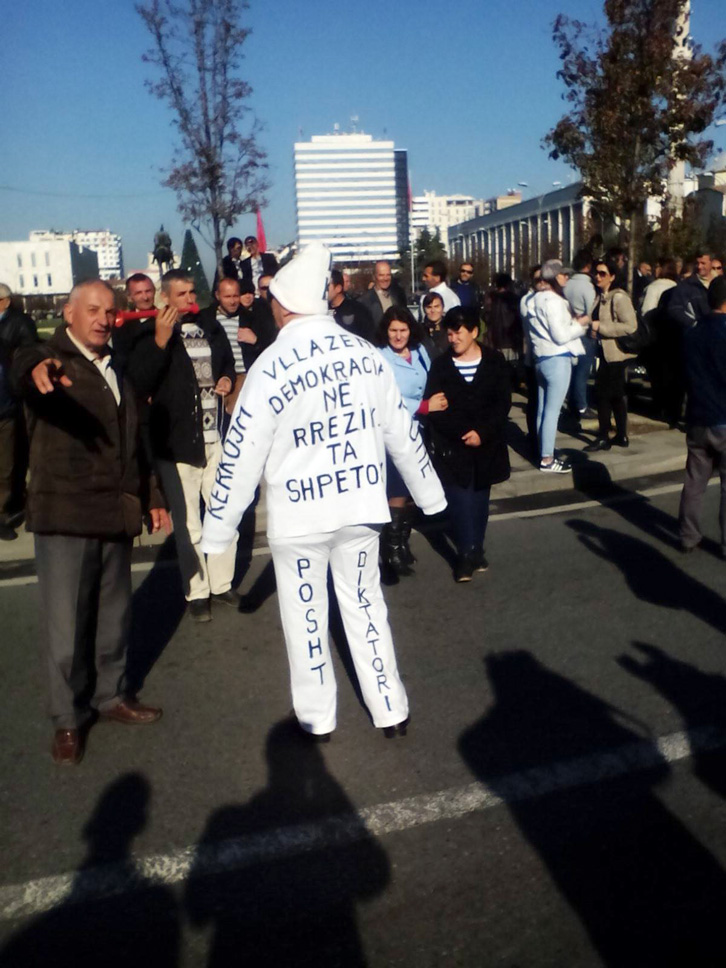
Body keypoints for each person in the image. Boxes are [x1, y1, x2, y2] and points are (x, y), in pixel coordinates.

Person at [200, 242, 446, 739]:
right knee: (366, 607)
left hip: (299, 518)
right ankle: (391, 708)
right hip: (358, 507)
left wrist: (217, 531)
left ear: (285, 302)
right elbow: (400, 429)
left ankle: (317, 719)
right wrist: (431, 494)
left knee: (306, 617)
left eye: (272, 297)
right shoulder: (365, 355)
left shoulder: (270, 367)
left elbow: (241, 454)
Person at [12, 280, 168, 765]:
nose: (103, 318)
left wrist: (151, 495)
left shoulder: (115, 365)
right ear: (70, 313)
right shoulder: (51, 358)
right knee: (65, 627)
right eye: (93, 310)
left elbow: (134, 438)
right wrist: (35, 366)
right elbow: (21, 362)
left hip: (113, 513)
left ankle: (110, 695)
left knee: (113, 618)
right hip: (66, 514)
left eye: (110, 311)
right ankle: (66, 719)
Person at [126, 269, 238, 623]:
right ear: (164, 298)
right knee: (191, 525)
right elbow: (138, 381)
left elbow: (226, 362)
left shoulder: (208, 324)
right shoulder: (148, 332)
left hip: (214, 437)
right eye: (182, 295)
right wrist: (160, 340)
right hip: (178, 444)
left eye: (192, 293)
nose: (190, 300)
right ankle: (198, 591)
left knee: (224, 515)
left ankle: (222, 583)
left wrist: (225, 378)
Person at [424, 306, 511, 582]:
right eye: (449, 333)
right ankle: (464, 555)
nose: (452, 339)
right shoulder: (440, 365)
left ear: (474, 331)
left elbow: (502, 404)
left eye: (458, 332)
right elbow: (436, 407)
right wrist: (463, 432)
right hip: (453, 445)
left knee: (480, 500)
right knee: (460, 499)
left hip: (487, 444)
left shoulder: (495, 361)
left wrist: (482, 433)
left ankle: (476, 548)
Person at [376, 305, 448, 575]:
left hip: (419, 431)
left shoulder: (419, 352)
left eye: (403, 330)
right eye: (393, 330)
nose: (398, 336)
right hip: (394, 432)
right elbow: (383, 399)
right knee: (397, 490)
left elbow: (433, 381)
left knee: (411, 490)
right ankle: (391, 549)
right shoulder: (380, 356)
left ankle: (402, 543)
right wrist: (424, 406)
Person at [678, 277, 726, 556]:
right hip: (723, 414)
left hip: (697, 415)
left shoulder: (692, 333)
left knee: (694, 481)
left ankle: (688, 536)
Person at [529, 260, 589, 472]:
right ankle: (547, 458)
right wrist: (579, 325)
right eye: (563, 275)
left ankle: (544, 450)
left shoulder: (532, 300)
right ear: (555, 278)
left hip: (541, 358)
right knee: (552, 412)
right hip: (557, 358)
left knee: (543, 410)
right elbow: (561, 335)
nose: (566, 278)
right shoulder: (553, 301)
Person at [585, 258, 638, 451]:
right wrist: (593, 330)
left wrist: (603, 328)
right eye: (596, 273)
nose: (597, 276)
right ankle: (621, 435)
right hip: (603, 353)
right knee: (615, 395)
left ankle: (603, 436)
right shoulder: (600, 296)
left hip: (616, 355)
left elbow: (631, 326)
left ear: (612, 277)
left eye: (603, 273)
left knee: (603, 394)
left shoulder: (619, 297)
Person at [0, 283, 37, 540]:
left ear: (4, 302)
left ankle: (3, 512)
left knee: (8, 463)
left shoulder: (19, 323)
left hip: (7, 401)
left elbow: (30, 353)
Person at [564, 250, 598, 421]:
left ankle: (571, 402)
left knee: (571, 371)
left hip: (569, 331)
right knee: (582, 373)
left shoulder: (567, 284)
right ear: (588, 266)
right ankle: (582, 406)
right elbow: (592, 310)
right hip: (584, 332)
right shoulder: (588, 286)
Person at [519, 264, 546, 456]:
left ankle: (544, 439)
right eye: (538, 279)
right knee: (535, 400)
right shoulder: (527, 301)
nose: (542, 283)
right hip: (532, 356)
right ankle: (535, 439)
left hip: (547, 357)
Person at [482, 273, 523, 385]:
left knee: (496, 366)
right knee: (510, 366)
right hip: (510, 337)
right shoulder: (514, 299)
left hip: (494, 337)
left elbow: (485, 316)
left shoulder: (490, 298)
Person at [668, 250, 718, 330]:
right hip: (699, 334)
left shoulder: (720, 283)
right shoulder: (685, 286)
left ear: (711, 263)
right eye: (697, 263)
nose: (699, 266)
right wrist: (694, 324)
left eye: (703, 263)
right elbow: (675, 309)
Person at [237, 279, 277, 370]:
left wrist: (256, 341)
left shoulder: (264, 313)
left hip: (260, 366)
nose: (247, 296)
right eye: (243, 293)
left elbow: (272, 342)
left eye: (250, 293)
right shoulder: (232, 316)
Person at [328, 268, 376, 341]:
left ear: (338, 288)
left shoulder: (358, 310)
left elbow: (369, 337)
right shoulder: (321, 311)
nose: (323, 290)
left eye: (327, 286)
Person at [358, 261, 407, 328]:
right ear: (374, 277)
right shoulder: (364, 301)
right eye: (381, 275)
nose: (385, 278)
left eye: (388, 275)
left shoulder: (399, 297)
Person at [422, 291, 448, 356]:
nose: (433, 310)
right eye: (429, 307)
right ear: (424, 309)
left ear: (442, 307)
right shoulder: (419, 330)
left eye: (436, 306)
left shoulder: (450, 328)